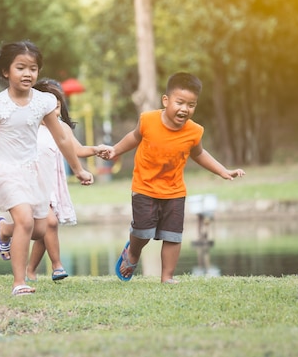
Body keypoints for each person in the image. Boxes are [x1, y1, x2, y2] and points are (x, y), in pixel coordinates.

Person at [0, 41, 94, 296]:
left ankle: (4, 229)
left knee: (40, 228)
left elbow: (61, 139)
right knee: (25, 220)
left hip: (32, 171)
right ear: (6, 72)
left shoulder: (44, 102)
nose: (28, 73)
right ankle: (19, 282)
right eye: (20, 67)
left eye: (33, 68)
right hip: (3, 170)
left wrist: (78, 169)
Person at [98, 72, 245, 284]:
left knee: (173, 235)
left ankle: (167, 277)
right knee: (142, 231)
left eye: (191, 105)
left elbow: (200, 154)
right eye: (180, 102)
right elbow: (134, 137)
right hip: (144, 187)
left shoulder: (194, 132)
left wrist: (223, 171)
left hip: (175, 191)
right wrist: (115, 150)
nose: (185, 109)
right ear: (166, 100)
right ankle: (133, 253)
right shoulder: (148, 120)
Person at [25, 79, 100, 282]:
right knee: (49, 222)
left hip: (52, 185)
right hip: (31, 184)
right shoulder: (28, 126)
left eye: (58, 102)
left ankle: (30, 271)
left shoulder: (61, 128)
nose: (55, 105)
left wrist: (96, 150)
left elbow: (77, 150)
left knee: (45, 229)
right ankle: (57, 266)